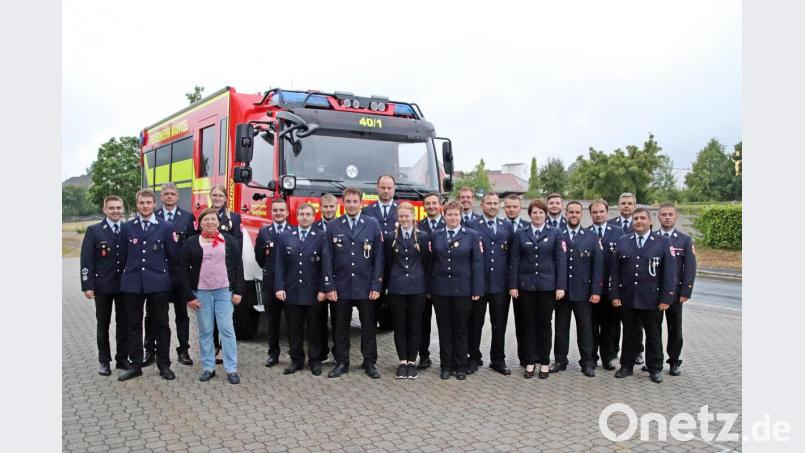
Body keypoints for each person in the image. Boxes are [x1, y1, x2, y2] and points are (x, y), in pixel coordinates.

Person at [117, 189, 180, 381]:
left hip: (158, 284)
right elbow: (121, 257)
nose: (145, 206)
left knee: (161, 325)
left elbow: (173, 257)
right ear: (137, 205)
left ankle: (164, 365)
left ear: (155, 205)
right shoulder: (127, 227)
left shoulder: (166, 227)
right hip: (133, 284)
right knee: (133, 326)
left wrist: (169, 280)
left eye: (148, 203)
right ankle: (135, 365)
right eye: (141, 203)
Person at [177, 208, 244, 384]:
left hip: (224, 291)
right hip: (201, 292)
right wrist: (189, 296)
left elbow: (238, 266)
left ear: (218, 222)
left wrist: (238, 291)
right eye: (206, 220)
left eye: (213, 219)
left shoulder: (228, 240)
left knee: (227, 330)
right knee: (206, 331)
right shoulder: (191, 242)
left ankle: (231, 369)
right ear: (200, 223)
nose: (210, 222)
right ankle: (208, 367)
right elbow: (182, 270)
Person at [610, 207, 676, 383]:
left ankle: (655, 368)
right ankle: (626, 365)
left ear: (650, 221)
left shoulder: (662, 242)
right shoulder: (623, 241)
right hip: (628, 297)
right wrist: (615, 295)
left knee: (653, 334)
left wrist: (666, 298)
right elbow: (615, 272)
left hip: (652, 299)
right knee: (629, 334)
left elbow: (669, 273)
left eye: (642, 218)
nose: (638, 221)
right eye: (636, 219)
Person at [324, 187, 384, 379]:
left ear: (361, 203)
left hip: (366, 287)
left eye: (354, 202)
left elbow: (379, 258)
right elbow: (328, 258)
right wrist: (330, 286)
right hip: (341, 287)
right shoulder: (334, 225)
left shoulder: (372, 224)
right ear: (343, 203)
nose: (351, 205)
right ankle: (342, 362)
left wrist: (376, 285)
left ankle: (369, 362)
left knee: (368, 327)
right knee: (340, 327)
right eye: (348, 202)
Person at [509, 199, 567, 379]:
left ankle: (543, 361)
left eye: (541, 212)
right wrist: (513, 285)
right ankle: (529, 361)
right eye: (534, 212)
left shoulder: (555, 233)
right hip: (525, 287)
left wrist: (560, 286)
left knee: (544, 324)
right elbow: (515, 260)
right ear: (530, 214)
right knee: (528, 324)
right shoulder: (520, 233)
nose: (538, 215)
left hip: (547, 287)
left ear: (545, 214)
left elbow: (560, 260)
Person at [274, 203, 331, 376]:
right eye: (301, 214)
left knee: (315, 329)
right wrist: (279, 287)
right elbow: (280, 264)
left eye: (307, 214)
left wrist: (323, 289)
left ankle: (315, 360)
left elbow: (325, 265)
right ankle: (296, 360)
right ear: (296, 216)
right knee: (294, 329)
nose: (304, 217)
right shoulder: (285, 236)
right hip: (292, 291)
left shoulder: (321, 236)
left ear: (313, 217)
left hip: (314, 293)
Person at [144, 183, 197, 367]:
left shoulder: (187, 217)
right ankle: (150, 350)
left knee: (182, 314)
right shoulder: (153, 216)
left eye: (172, 194)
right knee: (153, 315)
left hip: (180, 274)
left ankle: (183, 350)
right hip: (157, 274)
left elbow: (192, 243)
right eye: (166, 194)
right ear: (161, 196)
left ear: (177, 196)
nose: (169, 197)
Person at [429, 201, 484, 380]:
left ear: (461, 216)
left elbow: (477, 263)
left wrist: (477, 289)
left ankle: (461, 365)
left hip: (464, 290)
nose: (453, 218)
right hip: (441, 290)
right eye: (449, 214)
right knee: (444, 329)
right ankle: (446, 365)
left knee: (461, 329)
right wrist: (430, 288)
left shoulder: (472, 235)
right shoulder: (435, 235)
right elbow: (431, 263)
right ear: (444, 215)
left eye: (456, 215)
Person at [551, 201, 603, 377]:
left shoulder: (591, 236)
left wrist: (596, 291)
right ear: (566, 214)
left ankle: (587, 361)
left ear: (582, 215)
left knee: (585, 329)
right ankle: (560, 360)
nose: (574, 215)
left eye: (577, 212)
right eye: (571, 212)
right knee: (560, 328)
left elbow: (597, 266)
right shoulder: (558, 234)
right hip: (562, 292)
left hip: (583, 292)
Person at [80, 195, 129, 376]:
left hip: (124, 286)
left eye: (118, 207)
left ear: (122, 209)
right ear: (105, 210)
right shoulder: (94, 230)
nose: (115, 211)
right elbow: (87, 260)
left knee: (123, 324)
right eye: (111, 208)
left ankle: (122, 358)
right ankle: (104, 361)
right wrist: (87, 285)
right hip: (102, 286)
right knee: (103, 324)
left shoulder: (127, 229)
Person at [468, 192, 514, 375]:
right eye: (489, 203)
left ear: (499, 205)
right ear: (482, 204)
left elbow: (511, 256)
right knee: (475, 323)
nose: (492, 206)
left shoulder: (506, 226)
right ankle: (473, 357)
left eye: (495, 203)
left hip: (500, 286)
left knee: (499, 324)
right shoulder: (472, 225)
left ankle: (498, 359)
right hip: (479, 285)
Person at [384, 202, 431, 379]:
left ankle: (412, 361)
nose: (404, 219)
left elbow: (426, 261)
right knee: (399, 325)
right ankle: (402, 361)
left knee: (414, 325)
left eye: (407, 216)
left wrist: (425, 285)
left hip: (417, 287)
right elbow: (388, 262)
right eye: (401, 216)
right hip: (396, 287)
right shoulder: (390, 237)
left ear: (413, 216)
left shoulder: (423, 236)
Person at [653, 203, 697, 376]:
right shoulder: (653, 237)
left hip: (676, 294)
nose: (667, 217)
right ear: (658, 217)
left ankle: (673, 362)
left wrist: (686, 291)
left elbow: (690, 267)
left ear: (676, 216)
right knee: (653, 330)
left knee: (674, 329)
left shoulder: (684, 240)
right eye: (663, 214)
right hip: (654, 293)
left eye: (670, 214)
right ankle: (654, 360)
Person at [588, 199, 624, 370]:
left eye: (601, 211)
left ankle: (608, 357)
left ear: (607, 213)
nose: (598, 215)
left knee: (610, 326)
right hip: (592, 290)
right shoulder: (586, 233)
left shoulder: (618, 233)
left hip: (611, 289)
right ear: (591, 214)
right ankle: (592, 357)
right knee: (592, 326)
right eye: (595, 212)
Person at [209, 184, 243, 363]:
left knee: (225, 313)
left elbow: (238, 245)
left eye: (220, 195)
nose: (217, 198)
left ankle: (223, 347)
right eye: (214, 195)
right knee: (210, 313)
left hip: (226, 270)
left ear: (225, 198)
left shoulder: (234, 218)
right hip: (208, 271)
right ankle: (213, 345)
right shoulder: (206, 216)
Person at [254, 199, 290, 367]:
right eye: (275, 210)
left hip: (290, 284)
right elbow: (260, 258)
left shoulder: (294, 231)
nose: (278, 213)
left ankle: (294, 354)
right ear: (271, 212)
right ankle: (273, 354)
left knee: (293, 322)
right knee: (272, 321)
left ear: (287, 212)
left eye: (281, 210)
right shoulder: (264, 233)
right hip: (270, 283)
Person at [416, 192, 445, 370]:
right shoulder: (417, 226)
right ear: (424, 206)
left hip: (443, 283)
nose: (431, 206)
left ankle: (446, 358)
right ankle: (423, 356)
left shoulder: (450, 222)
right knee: (422, 322)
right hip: (423, 283)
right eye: (428, 204)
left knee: (445, 323)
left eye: (434, 203)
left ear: (440, 204)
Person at [503, 194, 530, 366]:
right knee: (500, 323)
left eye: (515, 206)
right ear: (503, 208)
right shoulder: (499, 226)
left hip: (523, 282)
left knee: (524, 321)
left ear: (520, 207)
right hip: (501, 281)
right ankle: (498, 359)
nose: (511, 209)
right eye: (508, 207)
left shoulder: (529, 227)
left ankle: (525, 357)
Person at [314, 193, 338, 363]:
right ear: (320, 208)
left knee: (339, 322)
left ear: (336, 207)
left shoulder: (343, 227)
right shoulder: (313, 228)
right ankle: (321, 353)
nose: (328, 210)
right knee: (318, 321)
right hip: (317, 282)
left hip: (338, 282)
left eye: (331, 206)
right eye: (325, 207)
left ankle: (339, 354)